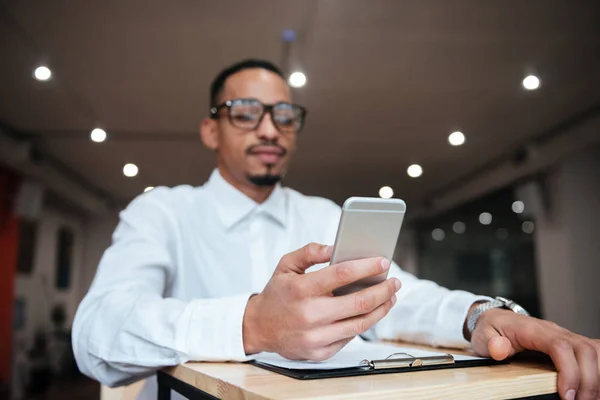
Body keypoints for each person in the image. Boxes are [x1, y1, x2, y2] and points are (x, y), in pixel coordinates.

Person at [72, 59, 599, 400]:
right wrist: (253, 324)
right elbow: (96, 333)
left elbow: (401, 296)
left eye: (284, 114)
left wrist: (482, 315)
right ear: (211, 129)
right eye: (246, 112)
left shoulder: (322, 215)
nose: (269, 128)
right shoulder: (163, 212)